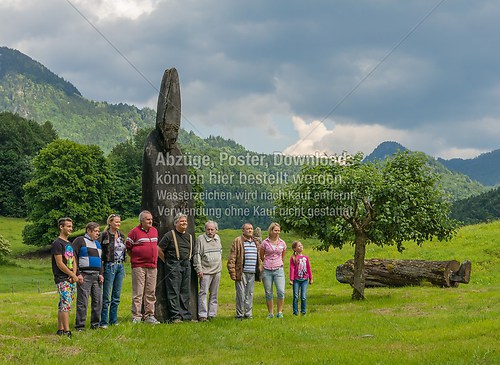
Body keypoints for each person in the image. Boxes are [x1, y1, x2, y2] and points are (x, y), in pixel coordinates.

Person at [126, 210, 160, 324]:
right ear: (141, 221)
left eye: (151, 219)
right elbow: (128, 248)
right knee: (138, 292)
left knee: (150, 292)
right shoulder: (134, 232)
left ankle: (149, 315)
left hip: (152, 266)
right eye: (147, 219)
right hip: (139, 266)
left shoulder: (154, 231)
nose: (150, 221)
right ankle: (136, 316)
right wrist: (136, 257)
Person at [158, 212, 193, 323]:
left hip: (186, 264)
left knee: (185, 291)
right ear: (176, 223)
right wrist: (166, 261)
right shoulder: (170, 235)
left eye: (185, 221)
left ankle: (185, 315)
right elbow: (158, 249)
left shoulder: (189, 236)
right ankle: (175, 316)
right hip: (173, 265)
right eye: (181, 221)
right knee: (173, 291)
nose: (184, 223)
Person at [227, 223, 262, 320]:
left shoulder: (255, 242)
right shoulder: (238, 241)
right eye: (248, 229)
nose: (250, 230)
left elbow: (259, 257)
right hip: (241, 272)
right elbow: (232, 258)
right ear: (243, 230)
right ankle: (239, 314)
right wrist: (232, 272)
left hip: (252, 272)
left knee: (250, 294)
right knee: (241, 294)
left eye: (251, 229)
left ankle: (248, 313)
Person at [51, 217, 79, 338]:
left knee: (63, 303)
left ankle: (60, 329)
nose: (70, 228)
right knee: (66, 303)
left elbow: (73, 260)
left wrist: (74, 274)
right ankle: (67, 331)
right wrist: (71, 275)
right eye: (68, 226)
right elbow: (59, 263)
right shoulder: (57, 243)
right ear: (61, 227)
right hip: (62, 278)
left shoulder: (69, 244)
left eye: (71, 226)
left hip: (71, 278)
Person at [73, 222, 104, 330]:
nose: (97, 233)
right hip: (84, 275)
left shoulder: (97, 244)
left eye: (98, 231)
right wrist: (77, 274)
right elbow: (74, 257)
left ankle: (95, 325)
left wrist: (101, 274)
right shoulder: (80, 241)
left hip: (96, 276)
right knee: (83, 302)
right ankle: (80, 326)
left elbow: (100, 260)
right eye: (95, 231)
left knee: (98, 301)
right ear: (88, 231)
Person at [99, 214, 126, 328]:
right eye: (116, 222)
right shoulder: (104, 235)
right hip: (109, 265)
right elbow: (99, 252)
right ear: (110, 222)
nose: (118, 224)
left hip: (120, 266)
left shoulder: (121, 236)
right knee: (107, 296)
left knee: (116, 295)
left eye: (119, 222)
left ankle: (113, 320)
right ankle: (104, 322)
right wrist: (101, 270)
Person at [193, 220, 222, 321]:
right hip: (205, 271)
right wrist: (198, 269)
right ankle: (203, 315)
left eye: (212, 229)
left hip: (217, 270)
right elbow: (197, 254)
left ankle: (212, 314)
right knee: (203, 293)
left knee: (214, 294)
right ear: (205, 230)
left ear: (216, 230)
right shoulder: (201, 239)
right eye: (208, 229)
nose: (210, 231)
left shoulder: (218, 238)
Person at [259, 222, 287, 319]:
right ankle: (270, 313)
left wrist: (279, 262)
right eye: (275, 230)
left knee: (281, 291)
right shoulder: (265, 242)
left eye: (278, 231)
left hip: (278, 269)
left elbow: (283, 255)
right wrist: (266, 261)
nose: (277, 232)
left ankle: (279, 312)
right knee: (268, 292)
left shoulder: (282, 243)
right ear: (271, 231)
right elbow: (261, 255)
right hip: (267, 270)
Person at [289, 241, 313, 316]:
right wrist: (291, 279)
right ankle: (295, 312)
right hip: (296, 280)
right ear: (294, 249)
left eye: (301, 245)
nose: (301, 247)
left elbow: (308, 268)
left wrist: (311, 278)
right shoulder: (293, 258)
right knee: (296, 296)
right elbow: (292, 269)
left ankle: (303, 311)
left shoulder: (306, 257)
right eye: (298, 246)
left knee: (303, 296)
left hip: (305, 280)